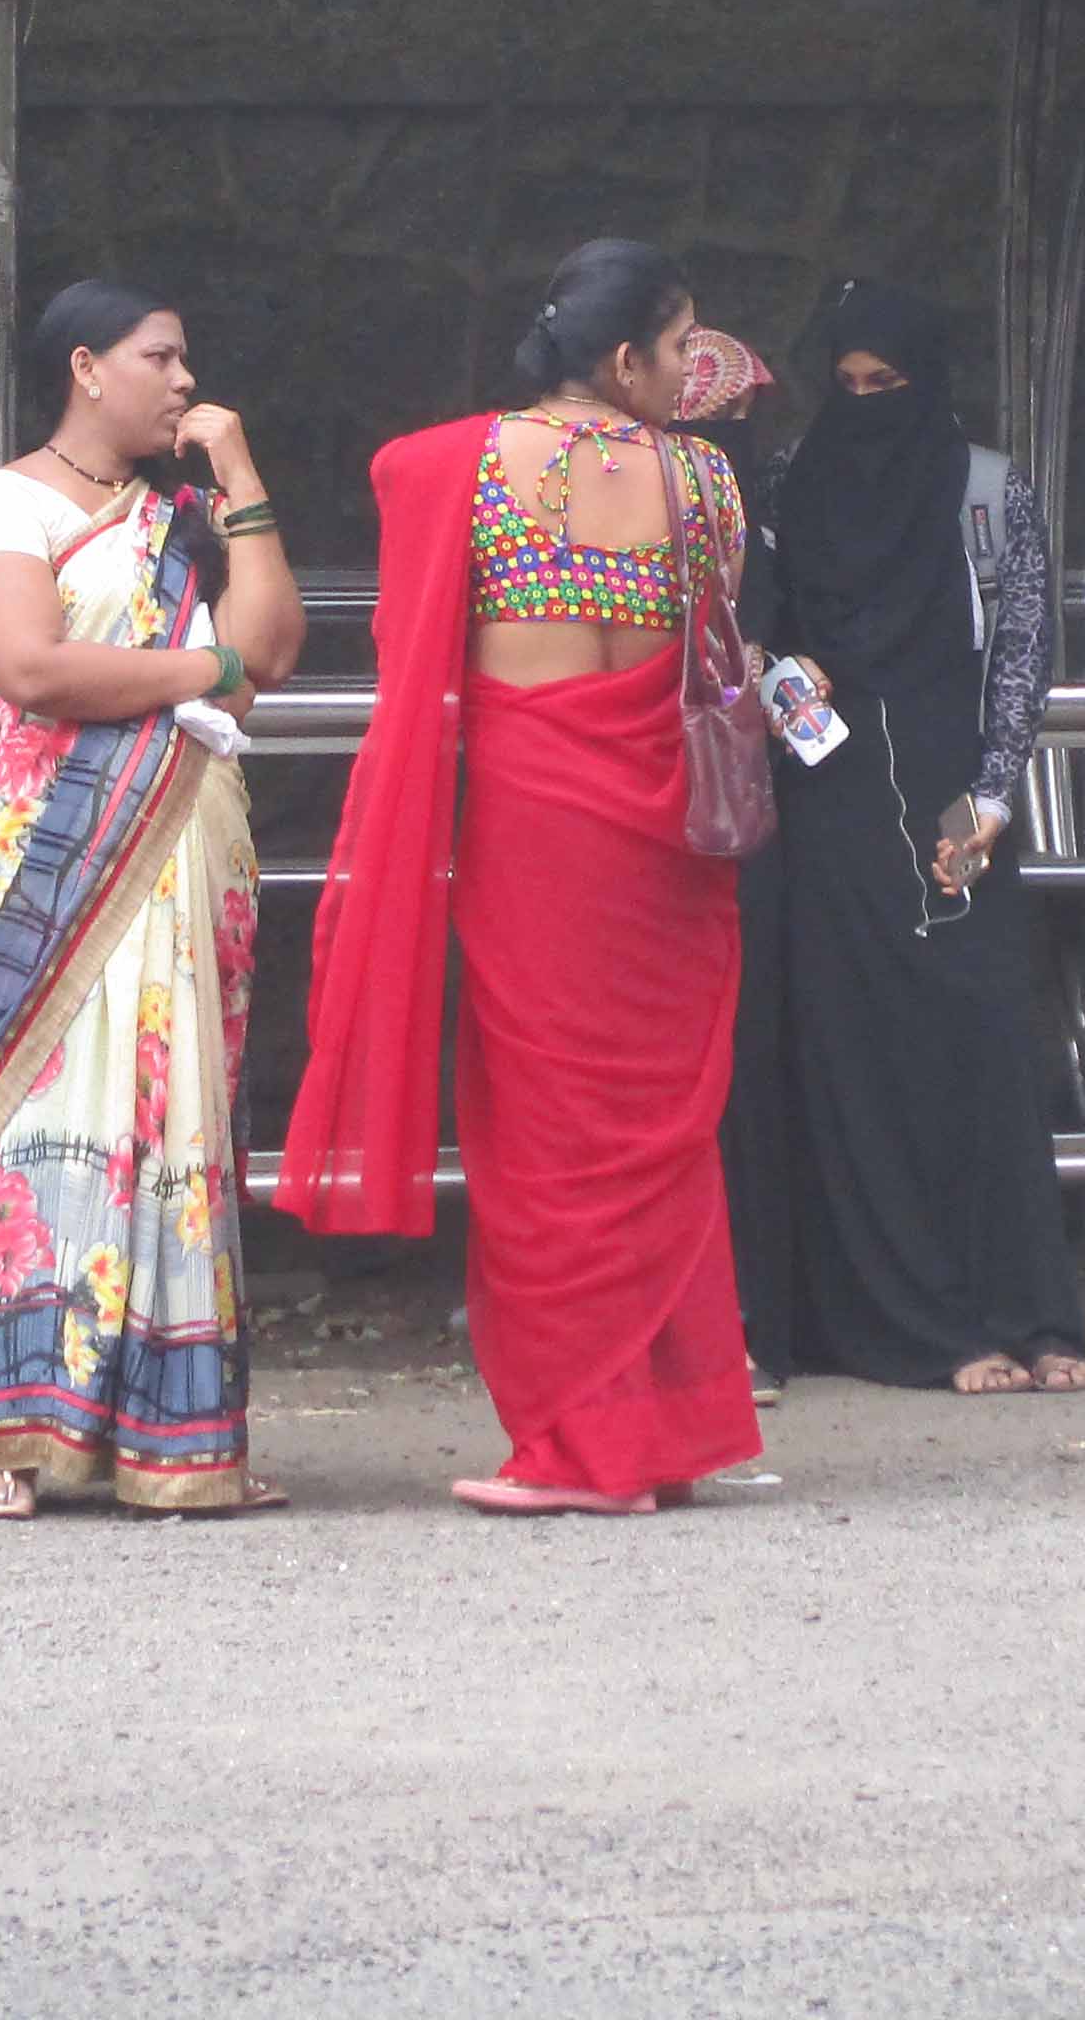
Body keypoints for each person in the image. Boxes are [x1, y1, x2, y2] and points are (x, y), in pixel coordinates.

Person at [283, 239, 764, 1516]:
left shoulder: (443, 466)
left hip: (531, 824)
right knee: (654, 1123)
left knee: (546, 1126)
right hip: (663, 834)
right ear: (623, 360)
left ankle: (583, 1448)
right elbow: (719, 641)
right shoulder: (708, 482)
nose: (689, 374)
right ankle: (660, 1431)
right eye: (676, 351)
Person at [0, 282, 304, 1519]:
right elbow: (32, 666)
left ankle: (179, 1444)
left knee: (179, 1122)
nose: (184, 380)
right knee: (47, 1120)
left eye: (189, 360)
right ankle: (17, 1441)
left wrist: (240, 473)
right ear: (88, 368)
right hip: (52, 845)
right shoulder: (5, 502)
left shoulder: (185, 512)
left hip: (183, 835)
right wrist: (201, 668)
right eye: (163, 358)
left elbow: (275, 648)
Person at [727, 280, 1085, 1398]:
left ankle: (1032, 1313)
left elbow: (1024, 646)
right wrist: (795, 691)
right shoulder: (790, 486)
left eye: (885, 389)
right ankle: (913, 1325)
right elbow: (757, 633)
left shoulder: (989, 492)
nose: (864, 409)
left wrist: (993, 793)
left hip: (951, 790)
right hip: (830, 792)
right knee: (856, 1053)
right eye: (845, 389)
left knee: (981, 1040)